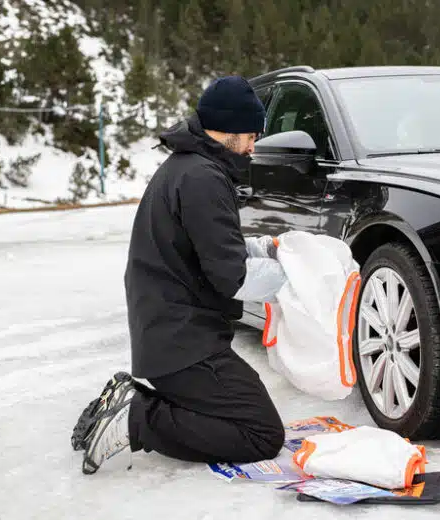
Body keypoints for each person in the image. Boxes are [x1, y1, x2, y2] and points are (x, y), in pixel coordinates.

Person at [70, 76, 286, 475]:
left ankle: (132, 403)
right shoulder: (202, 178)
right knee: (261, 434)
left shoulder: (190, 169)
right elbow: (232, 277)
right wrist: (294, 278)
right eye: (253, 135)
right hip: (183, 344)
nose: (255, 147)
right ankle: (136, 418)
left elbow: (211, 249)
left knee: (245, 413)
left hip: (171, 334)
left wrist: (266, 250)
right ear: (229, 127)